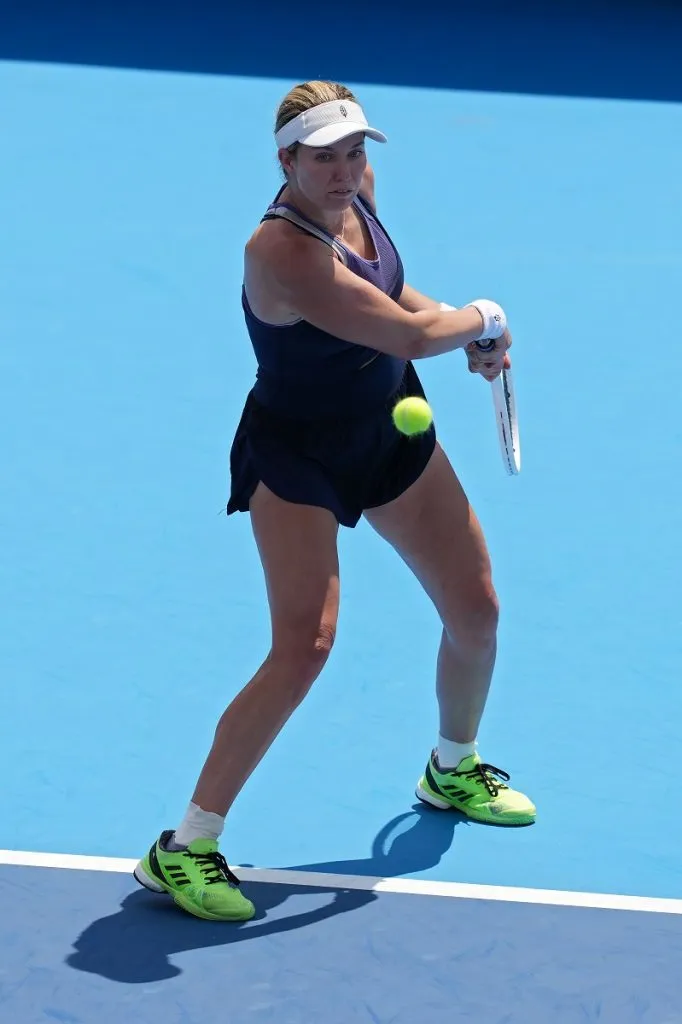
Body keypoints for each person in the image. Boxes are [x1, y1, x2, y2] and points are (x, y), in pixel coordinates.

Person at [134, 80, 536, 922]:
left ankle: (452, 766)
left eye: (355, 152)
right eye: (324, 158)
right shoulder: (279, 253)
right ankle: (184, 847)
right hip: (299, 456)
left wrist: (472, 332)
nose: (346, 171)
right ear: (286, 161)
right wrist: (485, 316)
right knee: (305, 646)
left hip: (387, 430)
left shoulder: (360, 194)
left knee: (477, 611)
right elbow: (410, 334)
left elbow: (399, 300)